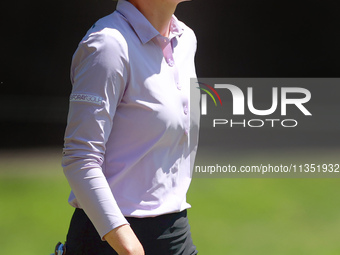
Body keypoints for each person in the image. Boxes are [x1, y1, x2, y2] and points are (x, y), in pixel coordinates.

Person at [62, 0, 200, 254]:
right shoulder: (107, 45)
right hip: (110, 241)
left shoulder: (186, 39)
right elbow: (79, 158)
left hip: (176, 234)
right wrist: (127, 245)